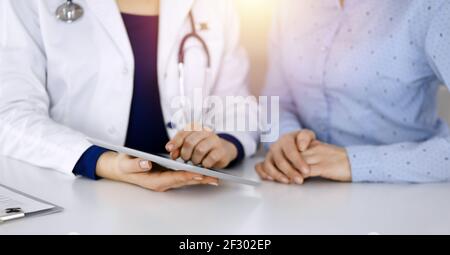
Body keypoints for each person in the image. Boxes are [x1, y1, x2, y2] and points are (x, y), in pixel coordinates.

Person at [0, 0, 257, 192]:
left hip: (191, 197)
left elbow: (239, 104)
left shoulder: (216, 5)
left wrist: (225, 143)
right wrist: (99, 161)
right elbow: (10, 115)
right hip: (75, 192)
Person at [256, 0, 450, 184]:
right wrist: (286, 141)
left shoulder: (431, 8)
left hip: (407, 195)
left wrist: (356, 162)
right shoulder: (288, 6)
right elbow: (276, 101)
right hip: (302, 190)